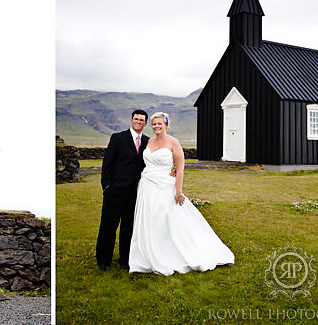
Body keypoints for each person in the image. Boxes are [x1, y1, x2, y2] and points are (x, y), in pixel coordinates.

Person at [128, 112, 235, 275]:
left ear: (166, 125)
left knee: (165, 219)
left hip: (165, 187)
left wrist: (178, 192)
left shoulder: (173, 142)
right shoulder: (149, 141)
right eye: (154, 124)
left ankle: (170, 254)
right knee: (149, 219)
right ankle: (148, 253)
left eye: (160, 124)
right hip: (147, 186)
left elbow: (180, 169)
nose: (156, 126)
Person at [96, 109, 150, 270]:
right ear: (131, 120)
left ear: (145, 123)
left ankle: (125, 260)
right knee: (108, 226)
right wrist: (107, 186)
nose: (138, 122)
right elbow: (107, 163)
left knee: (129, 228)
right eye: (136, 119)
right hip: (115, 191)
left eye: (142, 120)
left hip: (135, 193)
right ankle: (103, 260)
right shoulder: (118, 138)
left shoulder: (148, 142)